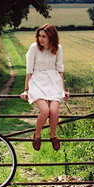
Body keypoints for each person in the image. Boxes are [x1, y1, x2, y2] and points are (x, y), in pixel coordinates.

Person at [20, 23, 69, 151]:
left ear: (51, 37)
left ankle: (53, 135)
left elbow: (60, 70)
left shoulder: (58, 48)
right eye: (40, 36)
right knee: (45, 111)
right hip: (37, 81)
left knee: (53, 111)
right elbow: (29, 70)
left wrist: (63, 89)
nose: (41, 39)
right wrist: (26, 90)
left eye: (44, 36)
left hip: (53, 82)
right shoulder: (34, 48)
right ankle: (37, 135)